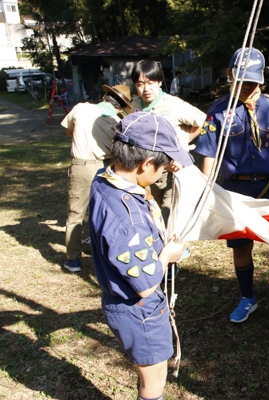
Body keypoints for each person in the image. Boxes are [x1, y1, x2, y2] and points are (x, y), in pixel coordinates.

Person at [194, 47, 269, 323]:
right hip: (237, 191)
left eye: (253, 82)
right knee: (241, 245)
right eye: (242, 81)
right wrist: (206, 187)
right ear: (229, 75)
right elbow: (209, 153)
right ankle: (247, 297)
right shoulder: (218, 111)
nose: (248, 87)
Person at [88, 111, 191, 400]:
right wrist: (168, 255)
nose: (164, 173)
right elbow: (145, 284)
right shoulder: (127, 219)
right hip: (140, 309)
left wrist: (167, 160)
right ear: (145, 163)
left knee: (149, 374)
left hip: (126, 304)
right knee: (154, 378)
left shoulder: (105, 179)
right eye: (161, 168)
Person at [61, 84, 132, 272]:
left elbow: (69, 131)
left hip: (82, 165)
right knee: (105, 213)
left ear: (104, 96)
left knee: (76, 214)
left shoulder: (80, 108)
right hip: (107, 167)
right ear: (122, 107)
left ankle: (73, 260)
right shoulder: (118, 121)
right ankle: (106, 253)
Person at [130, 60, 206, 224]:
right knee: (151, 211)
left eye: (150, 83)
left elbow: (202, 121)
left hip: (172, 168)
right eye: (140, 84)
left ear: (159, 82)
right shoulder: (135, 105)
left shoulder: (173, 104)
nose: (146, 89)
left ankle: (179, 249)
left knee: (169, 215)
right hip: (146, 169)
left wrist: (183, 143)